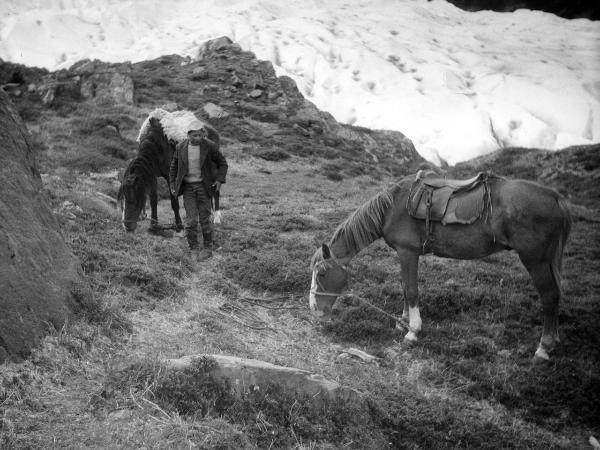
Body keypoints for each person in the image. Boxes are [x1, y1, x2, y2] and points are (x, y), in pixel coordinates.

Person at [169, 121, 227, 261]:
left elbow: (222, 163)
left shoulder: (209, 146)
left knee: (205, 220)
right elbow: (174, 167)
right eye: (194, 135)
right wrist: (172, 184)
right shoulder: (180, 147)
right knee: (191, 221)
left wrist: (219, 180)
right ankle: (193, 248)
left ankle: (208, 248)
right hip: (188, 188)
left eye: (200, 135)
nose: (198, 138)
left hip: (204, 187)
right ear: (188, 135)